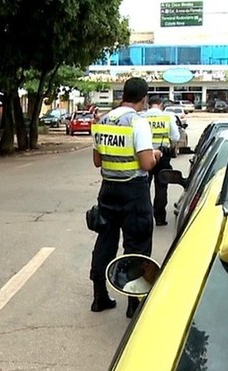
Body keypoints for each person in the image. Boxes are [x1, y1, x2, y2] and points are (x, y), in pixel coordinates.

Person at [89, 77, 162, 318]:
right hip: (134, 190)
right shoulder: (138, 123)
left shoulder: (103, 121)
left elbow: (97, 161)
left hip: (108, 189)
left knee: (105, 241)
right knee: (137, 245)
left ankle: (99, 297)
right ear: (144, 98)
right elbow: (145, 162)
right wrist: (156, 155)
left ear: (123, 94)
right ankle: (134, 303)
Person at [141, 96, 181, 226]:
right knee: (161, 187)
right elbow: (176, 136)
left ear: (149, 104)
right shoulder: (168, 117)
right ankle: (159, 218)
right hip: (163, 156)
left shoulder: (142, 117)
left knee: (143, 187)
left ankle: (143, 216)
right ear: (161, 105)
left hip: (145, 155)